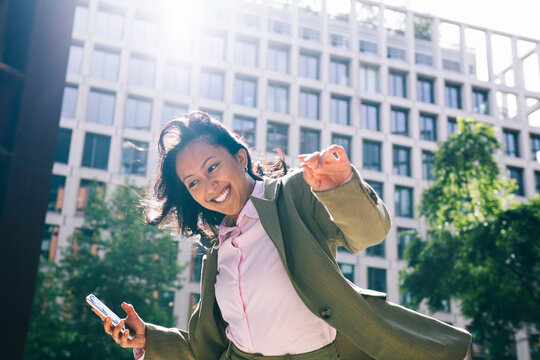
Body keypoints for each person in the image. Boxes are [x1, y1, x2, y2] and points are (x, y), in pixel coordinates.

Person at [93, 111, 472, 359]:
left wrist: (341, 188)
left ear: (240, 158)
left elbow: (369, 233)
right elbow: (205, 346)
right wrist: (147, 339)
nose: (208, 185)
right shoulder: (217, 252)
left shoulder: (293, 194)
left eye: (213, 167)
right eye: (194, 182)